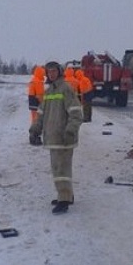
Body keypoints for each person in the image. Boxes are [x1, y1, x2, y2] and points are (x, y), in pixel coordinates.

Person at [29, 61, 83, 214]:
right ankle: (66, 195)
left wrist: (70, 131)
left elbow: (76, 114)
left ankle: (64, 200)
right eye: (49, 71)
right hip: (53, 138)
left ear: (59, 72)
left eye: (54, 71)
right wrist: (34, 130)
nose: (51, 74)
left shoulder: (66, 89)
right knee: (58, 169)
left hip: (64, 138)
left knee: (61, 170)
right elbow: (40, 114)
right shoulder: (49, 92)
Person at [27, 65, 45, 145]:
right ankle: (35, 137)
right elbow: (39, 95)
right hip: (36, 103)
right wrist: (43, 103)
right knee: (37, 120)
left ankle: (32, 136)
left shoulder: (33, 80)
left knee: (34, 119)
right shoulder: (38, 82)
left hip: (32, 103)